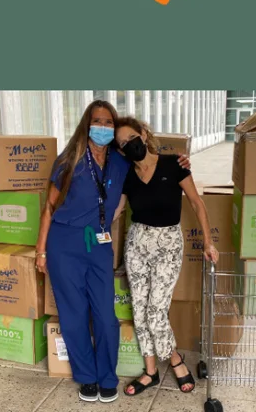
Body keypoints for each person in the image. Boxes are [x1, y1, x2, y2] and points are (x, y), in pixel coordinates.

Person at [35, 101, 190, 404]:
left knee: (105, 316)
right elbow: (50, 207)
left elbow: (151, 165)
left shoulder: (120, 162)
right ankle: (87, 377)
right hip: (64, 244)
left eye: (108, 123)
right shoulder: (69, 160)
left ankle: (107, 377)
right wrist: (41, 250)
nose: (103, 128)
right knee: (74, 315)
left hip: (99, 245)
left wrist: (181, 161)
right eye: (98, 121)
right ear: (86, 124)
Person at [113, 116, 219, 397]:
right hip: (137, 243)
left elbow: (197, 203)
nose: (128, 145)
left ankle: (175, 360)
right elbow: (119, 211)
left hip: (168, 243)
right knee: (139, 309)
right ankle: (151, 371)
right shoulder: (126, 175)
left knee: (155, 310)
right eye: (122, 144)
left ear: (144, 135)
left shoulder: (174, 164)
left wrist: (208, 242)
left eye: (131, 138)